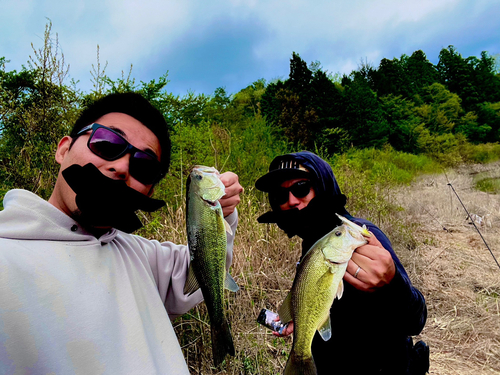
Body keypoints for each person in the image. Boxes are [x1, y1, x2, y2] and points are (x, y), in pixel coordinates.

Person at [0, 92, 243, 374]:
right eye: (106, 143)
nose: (122, 167)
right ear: (63, 149)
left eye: (144, 166)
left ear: (148, 192)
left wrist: (221, 212)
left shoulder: (142, 256)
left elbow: (204, 264)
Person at [255, 151, 428, 375]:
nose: (291, 201)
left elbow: (415, 321)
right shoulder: (312, 239)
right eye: (280, 195)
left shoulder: (356, 237)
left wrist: (393, 283)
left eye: (301, 188)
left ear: (323, 186)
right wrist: (306, 317)